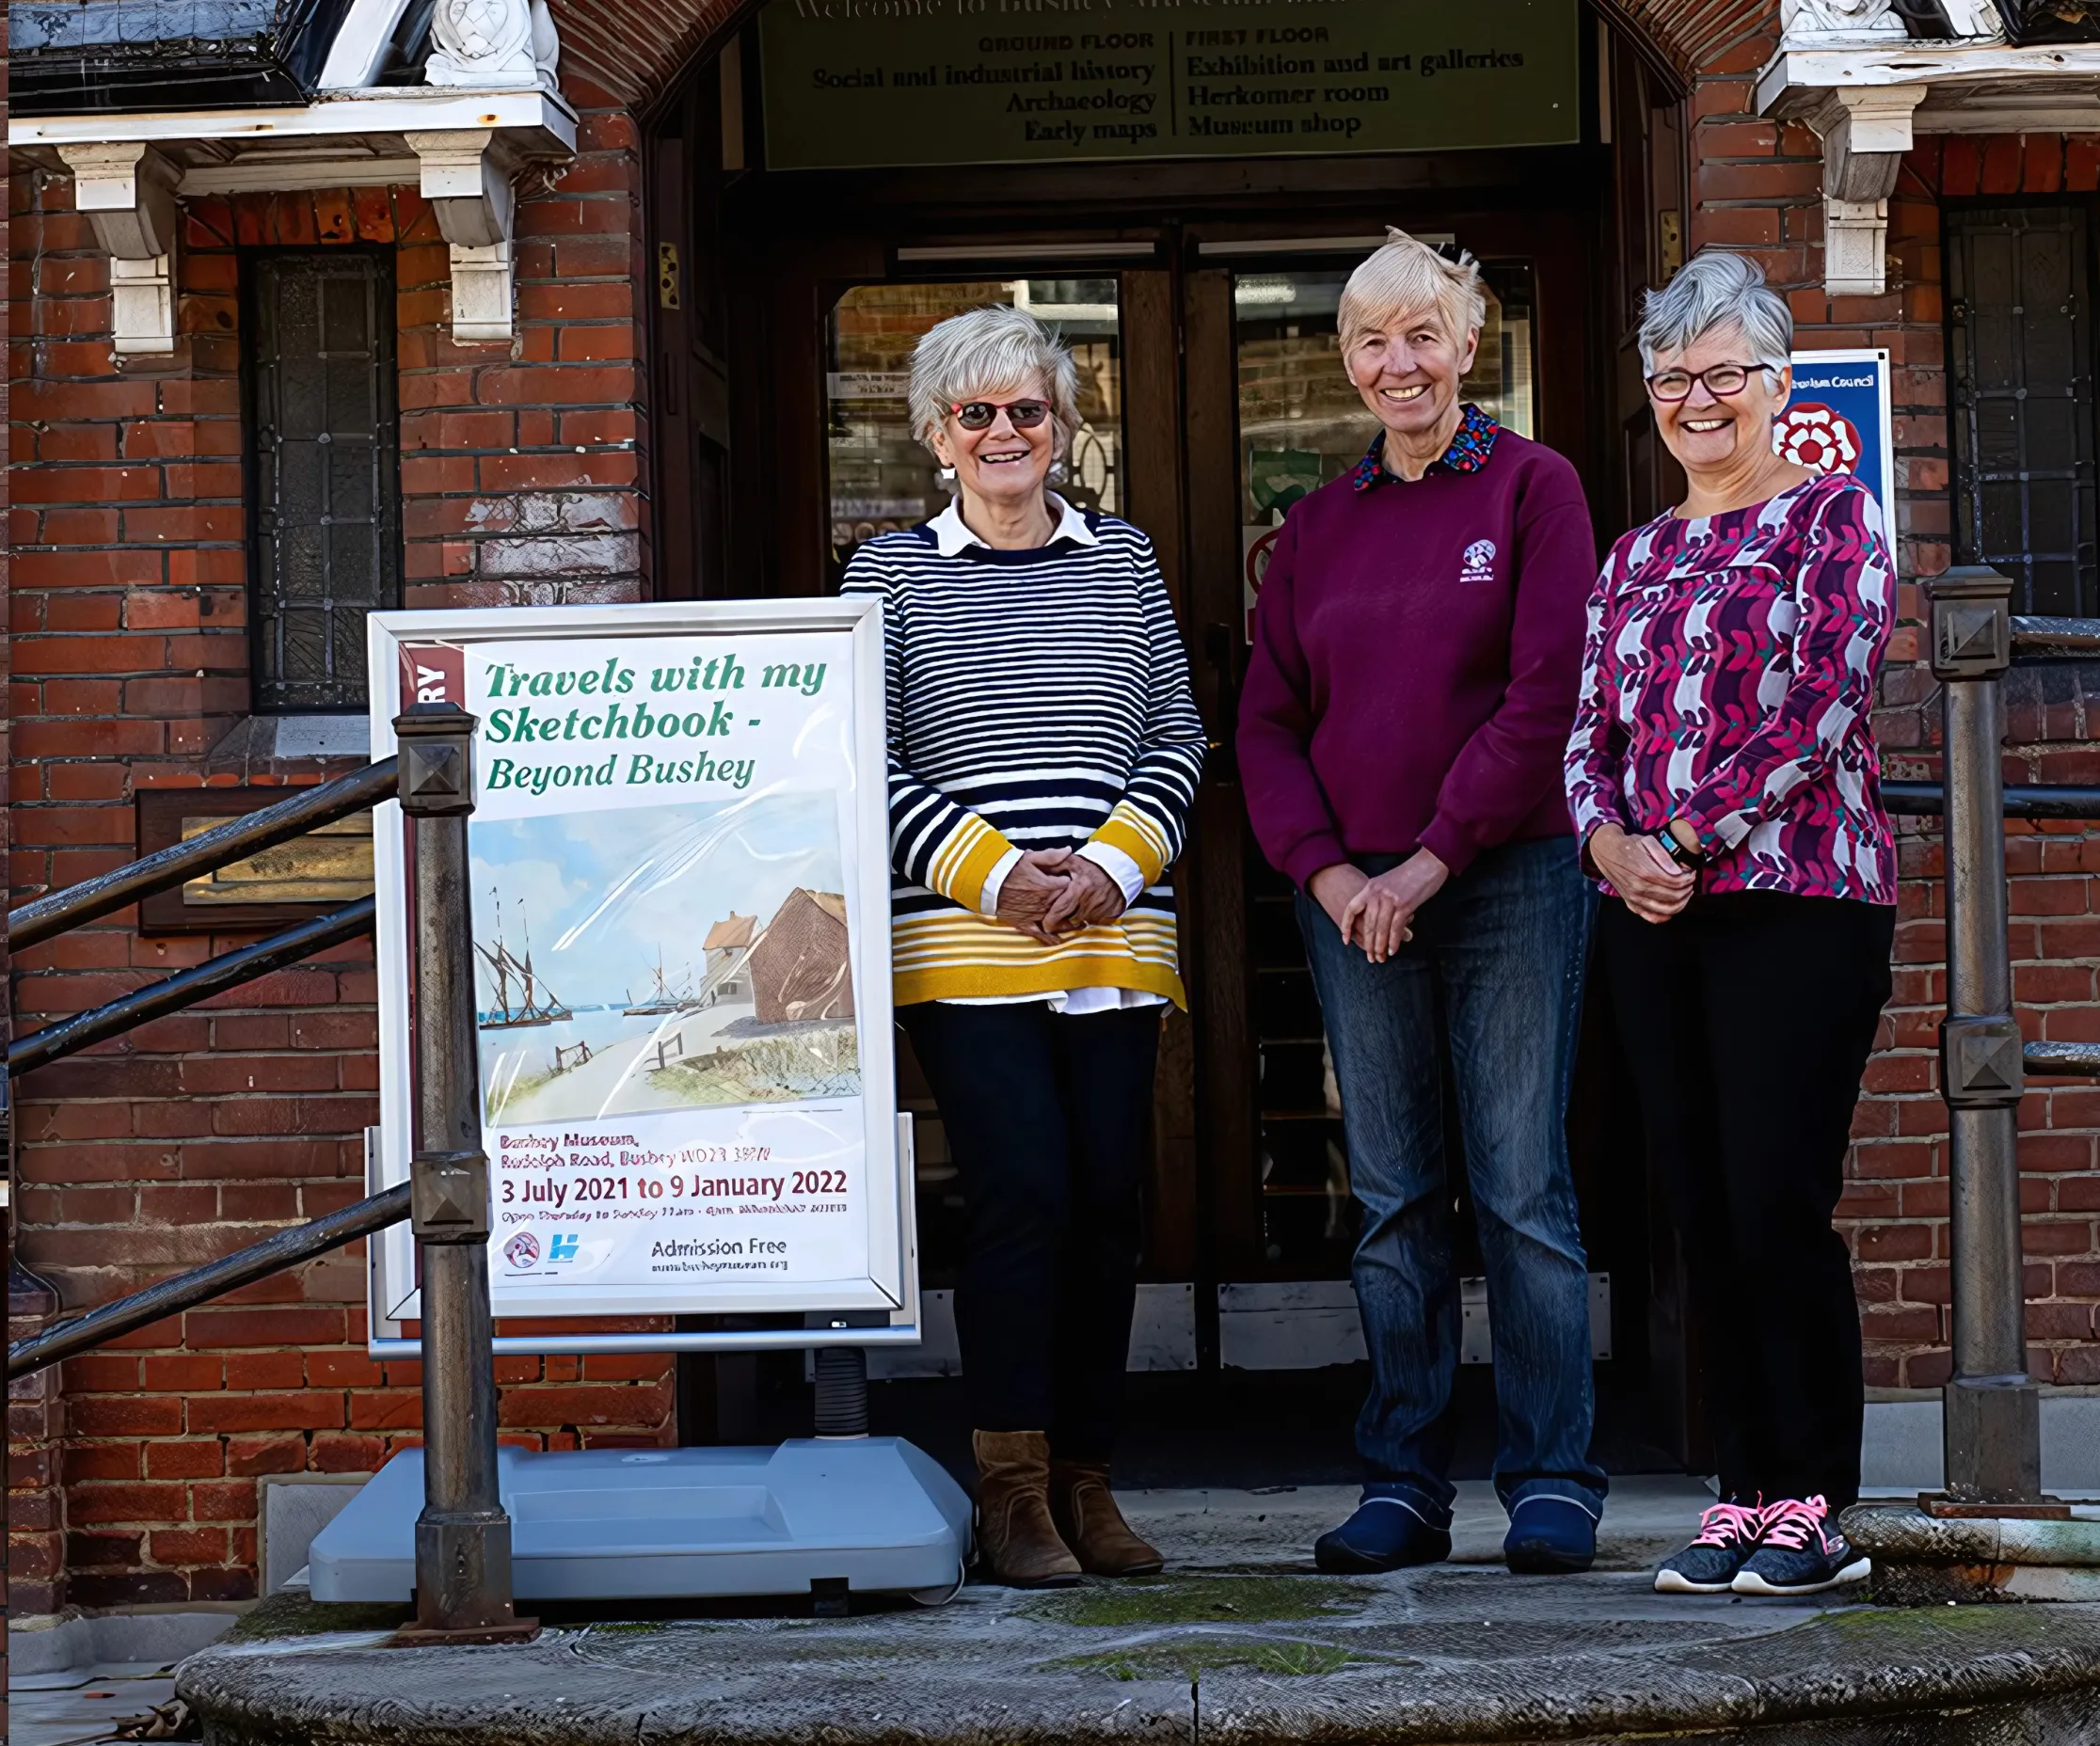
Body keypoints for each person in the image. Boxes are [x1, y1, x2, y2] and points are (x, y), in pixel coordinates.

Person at [1238, 230, 1607, 1577]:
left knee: (1521, 1190)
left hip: (1504, 877)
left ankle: (1553, 1476)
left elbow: (1546, 694)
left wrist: (1431, 858)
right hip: (1354, 904)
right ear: (1347, 362)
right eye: (1371, 342)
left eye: (1422, 335)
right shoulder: (1317, 529)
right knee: (1394, 1199)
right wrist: (1335, 875)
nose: (1399, 362)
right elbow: (1267, 723)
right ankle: (1401, 1481)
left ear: (1468, 345)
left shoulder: (1533, 487)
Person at [840, 304, 1205, 1589]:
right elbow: (859, 760)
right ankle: (1009, 1494)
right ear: (939, 432)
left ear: (1062, 423)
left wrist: (1110, 865)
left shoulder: (1126, 560)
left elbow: (1178, 733)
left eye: (1027, 411)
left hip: (1114, 937)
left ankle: (1087, 1484)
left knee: (1112, 1208)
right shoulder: (886, 573)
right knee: (1025, 1196)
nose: (1004, 433)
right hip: (964, 943)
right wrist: (996, 874)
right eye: (976, 413)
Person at [1565, 250, 1896, 1598]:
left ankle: (1816, 1503)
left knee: (1776, 1197)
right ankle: (1741, 1493)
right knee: (1697, 1208)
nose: (1697, 399)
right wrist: (1607, 841)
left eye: (1723, 373)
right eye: (1673, 376)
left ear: (1776, 384)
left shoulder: (1835, 516)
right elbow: (1587, 729)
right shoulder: (1633, 552)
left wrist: (1686, 839)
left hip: (1798, 902)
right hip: (1649, 911)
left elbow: (1821, 704)